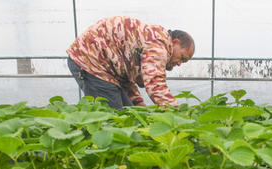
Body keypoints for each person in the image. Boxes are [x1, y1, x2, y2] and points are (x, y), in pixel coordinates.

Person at [67, 16, 195, 110]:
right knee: (113, 120)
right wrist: (175, 113)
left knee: (130, 112)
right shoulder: (159, 43)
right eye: (182, 58)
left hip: (108, 69)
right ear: (176, 42)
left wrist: (140, 107)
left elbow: (127, 79)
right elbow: (155, 82)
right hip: (90, 61)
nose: (179, 64)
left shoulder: (151, 40)